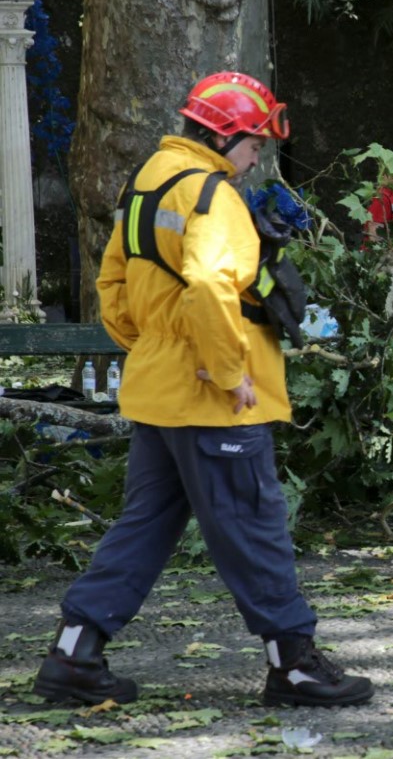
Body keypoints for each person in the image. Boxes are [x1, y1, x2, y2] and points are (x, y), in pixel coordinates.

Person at [32, 72, 374, 708]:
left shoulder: (148, 180)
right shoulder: (211, 193)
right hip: (215, 397)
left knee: (144, 526)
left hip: (161, 389)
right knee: (252, 525)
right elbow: (212, 285)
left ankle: (73, 656)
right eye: (252, 146)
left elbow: (112, 284)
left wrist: (157, 347)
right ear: (226, 134)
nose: (253, 161)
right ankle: (294, 664)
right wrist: (225, 369)